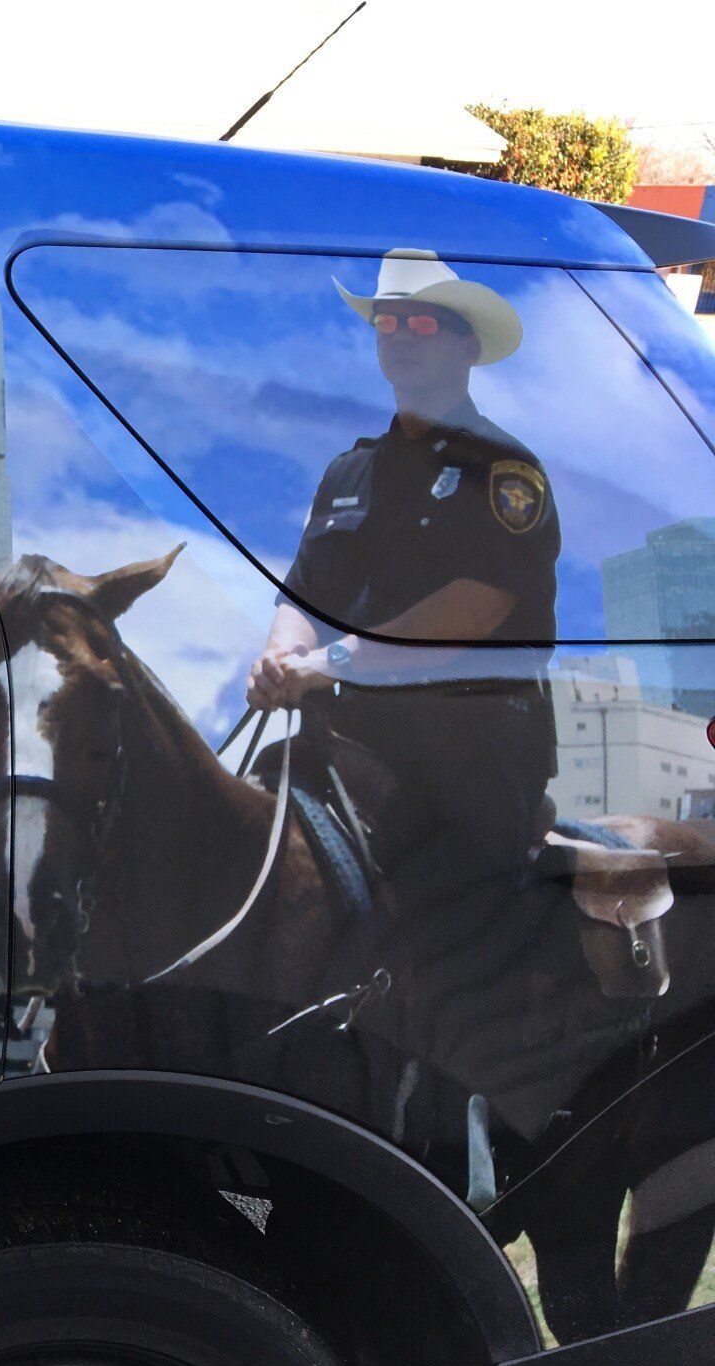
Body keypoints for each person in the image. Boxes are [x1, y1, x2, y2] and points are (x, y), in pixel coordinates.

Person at [247, 247, 559, 908]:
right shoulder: (348, 472)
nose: (400, 338)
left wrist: (328, 663)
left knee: (449, 931)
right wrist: (281, 658)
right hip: (351, 741)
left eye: (422, 324)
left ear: (468, 347)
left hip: (472, 754)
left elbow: (470, 611)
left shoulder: (504, 470)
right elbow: (303, 596)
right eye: (387, 324)